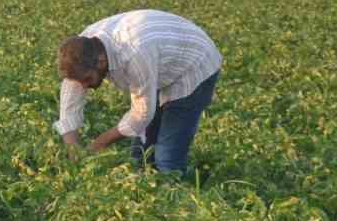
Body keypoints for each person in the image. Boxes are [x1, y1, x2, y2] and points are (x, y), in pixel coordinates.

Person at [56, 9, 221, 174]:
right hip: (159, 60)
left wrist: (99, 143)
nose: (83, 86)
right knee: (140, 155)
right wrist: (74, 149)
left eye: (86, 79)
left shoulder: (135, 53)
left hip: (195, 62)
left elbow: (141, 115)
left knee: (167, 158)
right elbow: (69, 106)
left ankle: (175, 189)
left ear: (101, 61)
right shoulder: (78, 54)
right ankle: (148, 192)